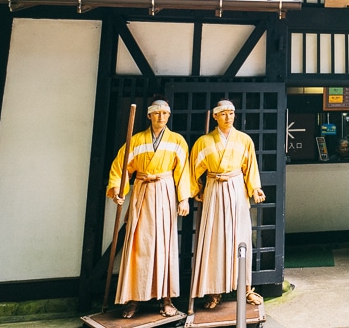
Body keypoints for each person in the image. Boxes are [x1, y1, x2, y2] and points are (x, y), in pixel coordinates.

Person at [106, 99, 190, 319]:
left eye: (165, 113)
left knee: (165, 245)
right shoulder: (136, 141)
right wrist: (118, 189)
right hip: (142, 193)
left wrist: (183, 199)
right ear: (149, 116)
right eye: (156, 113)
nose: (161, 117)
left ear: (169, 116)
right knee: (138, 244)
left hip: (164, 192)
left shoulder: (177, 141)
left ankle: (166, 298)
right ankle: (134, 298)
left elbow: (183, 172)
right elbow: (121, 166)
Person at [189, 100, 266, 310]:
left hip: (236, 188)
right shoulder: (204, 142)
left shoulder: (244, 140)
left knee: (241, 237)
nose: (228, 117)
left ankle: (246, 287)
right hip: (214, 187)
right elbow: (193, 167)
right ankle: (215, 291)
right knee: (215, 239)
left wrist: (255, 188)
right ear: (215, 116)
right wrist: (197, 188)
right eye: (223, 114)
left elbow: (250, 167)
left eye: (231, 113)